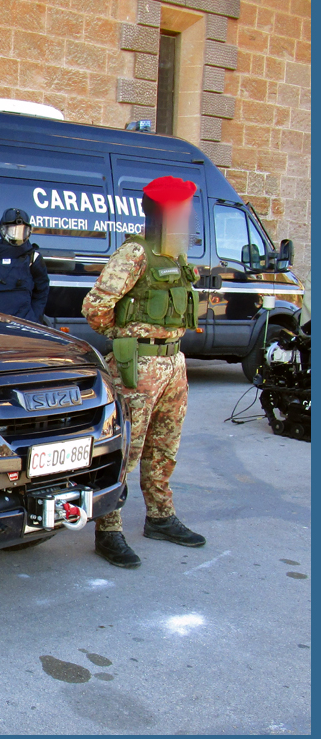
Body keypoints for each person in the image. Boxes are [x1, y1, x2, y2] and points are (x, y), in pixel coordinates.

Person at [82, 175, 207, 568]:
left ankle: (160, 517)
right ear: (162, 213)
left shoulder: (176, 255)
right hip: (139, 363)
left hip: (174, 363)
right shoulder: (135, 254)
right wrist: (125, 338)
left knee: (164, 446)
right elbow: (95, 307)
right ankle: (109, 529)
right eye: (182, 210)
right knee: (128, 449)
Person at [0, 208, 49, 322]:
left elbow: (42, 292)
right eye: (13, 231)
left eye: (22, 231)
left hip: (22, 325)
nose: (18, 236)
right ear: (3, 230)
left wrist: (34, 319)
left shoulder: (32, 258)